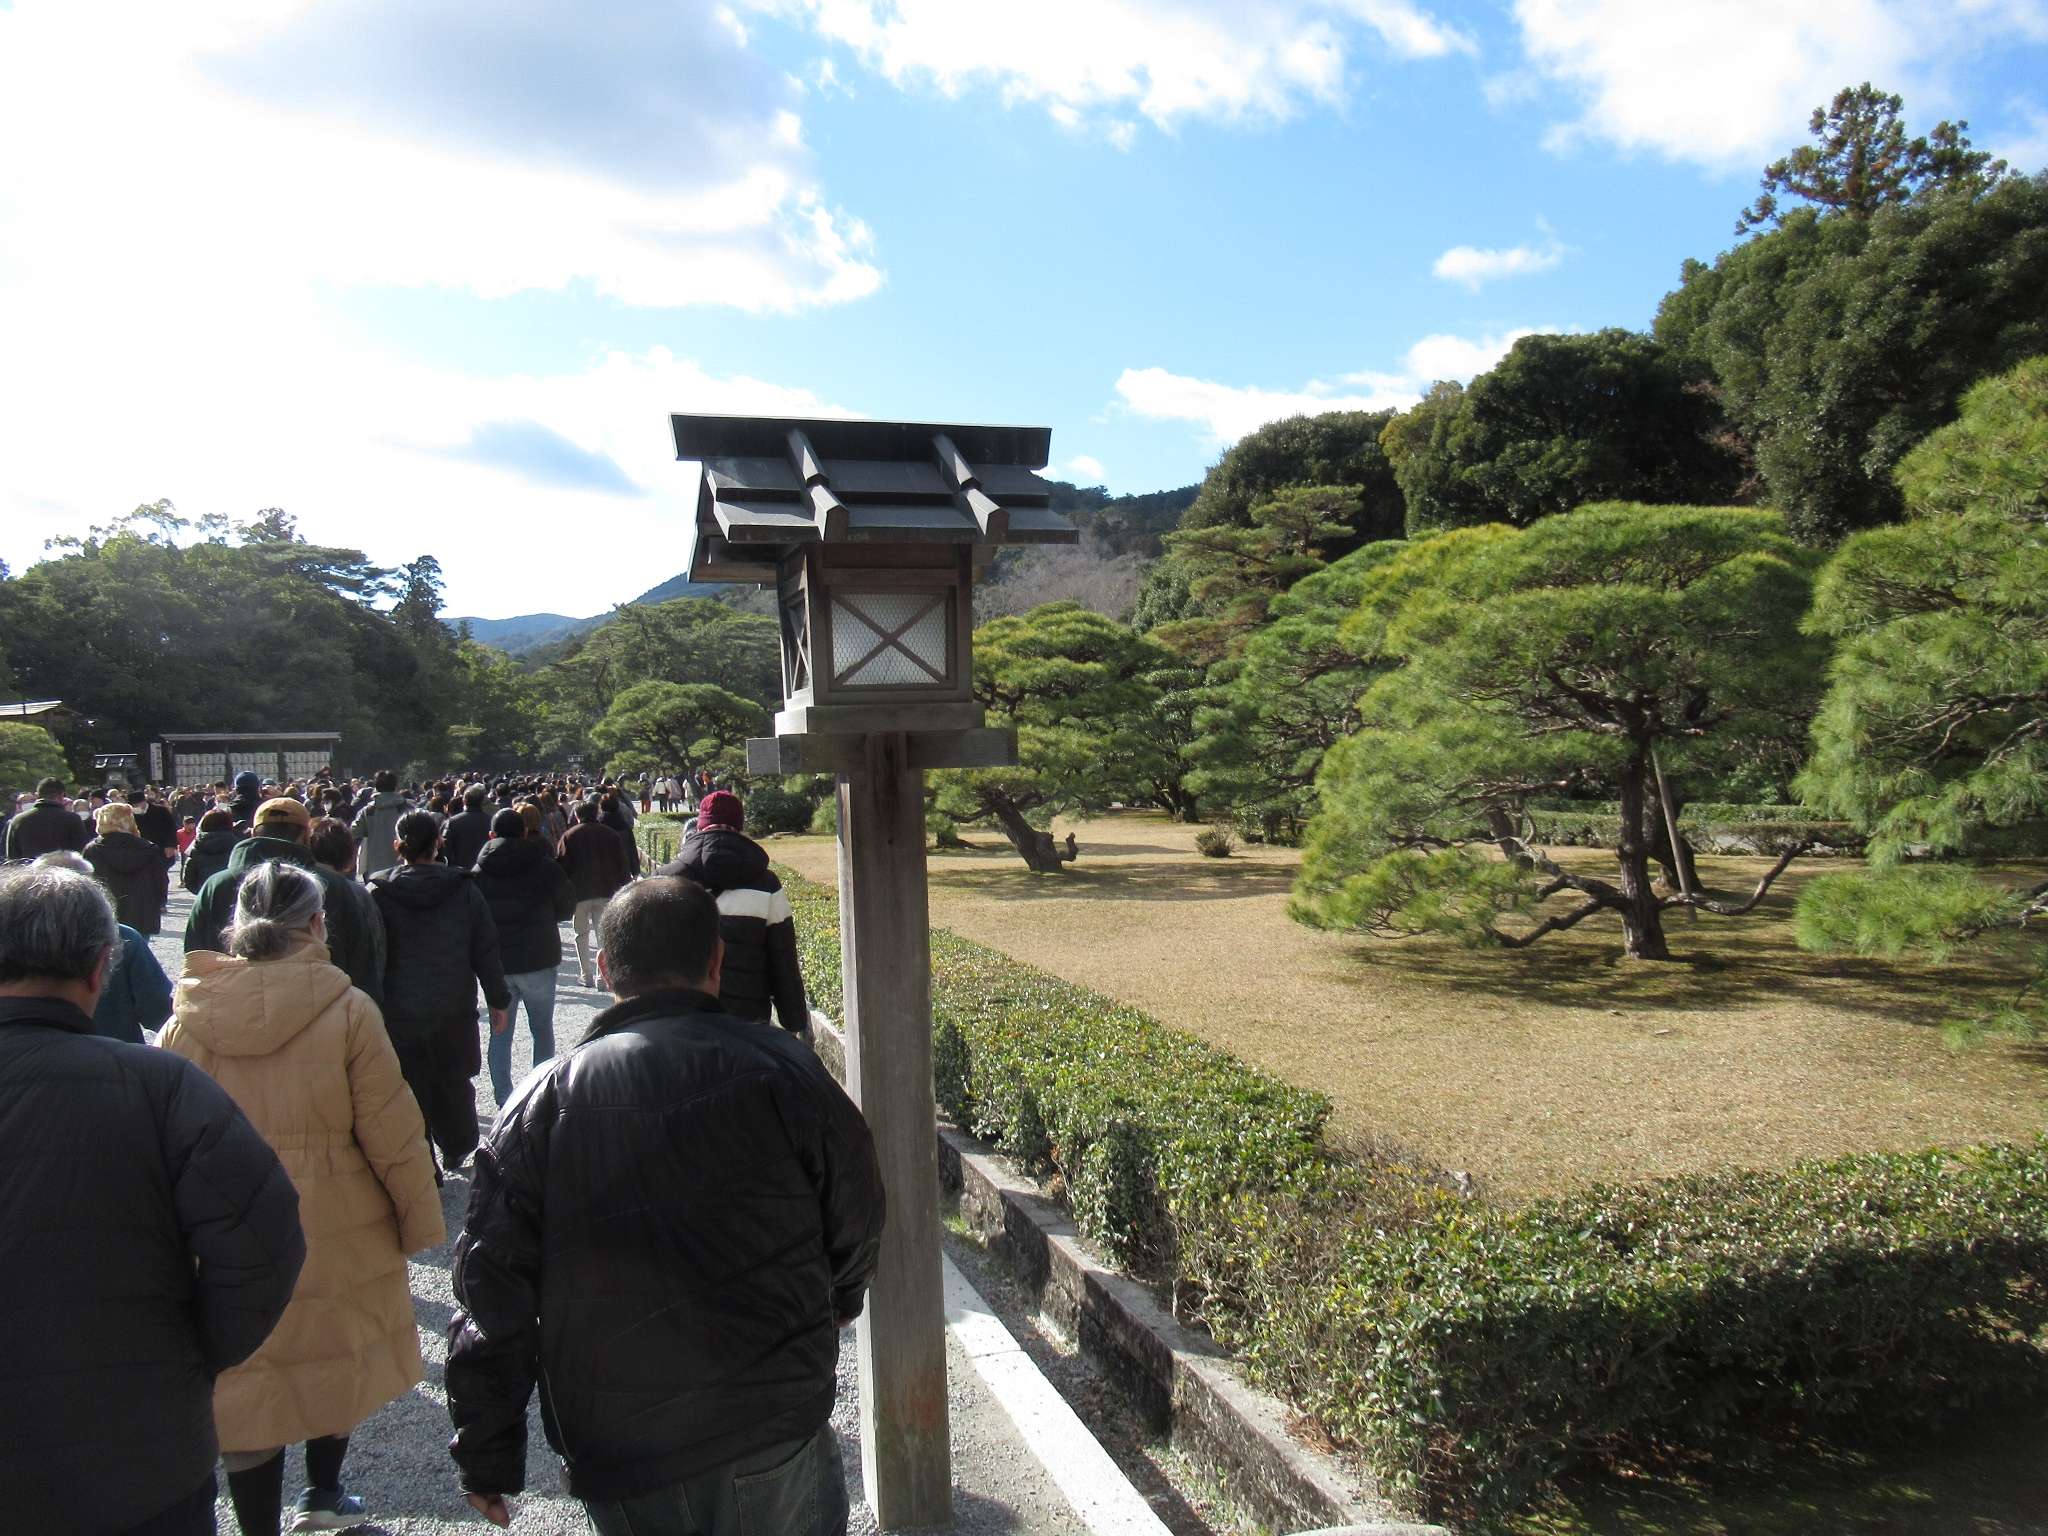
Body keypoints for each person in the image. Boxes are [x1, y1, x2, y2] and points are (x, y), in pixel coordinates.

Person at [446, 877, 885, 1535]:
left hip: (619, 1438)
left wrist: (486, 1451)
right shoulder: (784, 1068)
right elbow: (857, 1207)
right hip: (769, 1405)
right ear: (717, 962)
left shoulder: (542, 1100)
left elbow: (490, 1289)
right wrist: (837, 1301)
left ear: (602, 966)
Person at [0, 862, 305, 1535]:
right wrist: (197, 1351)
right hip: (136, 1443)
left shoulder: (162, 1085)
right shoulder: (159, 1087)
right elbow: (266, 1240)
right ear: (100, 968)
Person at [161, 861, 445, 1536]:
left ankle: (258, 1523)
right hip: (335, 1213)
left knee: (245, 1375)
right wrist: (416, 1217)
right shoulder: (347, 1009)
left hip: (224, 1219)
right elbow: (393, 1130)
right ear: (318, 924)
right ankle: (323, 1496)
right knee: (331, 1355)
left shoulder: (189, 1015)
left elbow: (165, 1139)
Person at [370, 810, 509, 1177]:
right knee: (453, 1080)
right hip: (453, 1004)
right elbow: (485, 947)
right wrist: (498, 998)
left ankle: (421, 1154)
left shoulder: (378, 893)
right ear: (439, 843)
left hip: (398, 1007)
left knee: (408, 1083)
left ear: (397, 846)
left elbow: (373, 953)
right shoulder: (463, 888)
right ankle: (458, 1144)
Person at [187, 798, 387, 1008]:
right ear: (306, 836)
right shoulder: (333, 885)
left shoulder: (216, 886)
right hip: (323, 1013)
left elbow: (194, 958)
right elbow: (360, 962)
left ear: (254, 833)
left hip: (231, 1012)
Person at [658, 790, 810, 1034]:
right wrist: (794, 1020)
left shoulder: (663, 882)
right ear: (739, 825)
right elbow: (783, 956)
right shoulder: (766, 884)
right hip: (748, 1016)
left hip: (680, 1017)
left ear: (700, 825)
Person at [472, 807, 575, 1106]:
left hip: (497, 962)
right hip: (538, 955)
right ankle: (540, 1094)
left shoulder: (478, 872)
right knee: (542, 1028)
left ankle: (504, 1098)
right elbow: (566, 905)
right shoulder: (544, 866)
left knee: (500, 1031)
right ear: (525, 832)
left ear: (491, 835)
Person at [35, 849, 174, 1043]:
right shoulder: (123, 937)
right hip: (114, 1057)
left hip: (29, 1059)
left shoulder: (14, 939)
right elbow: (157, 1010)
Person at [557, 797, 632, 988]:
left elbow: (561, 867)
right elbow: (622, 864)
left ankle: (586, 974)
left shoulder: (569, 836)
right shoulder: (610, 834)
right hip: (607, 890)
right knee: (603, 935)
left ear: (577, 815)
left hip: (579, 893)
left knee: (580, 934)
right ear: (596, 813)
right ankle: (603, 977)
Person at [85, 799, 171, 936]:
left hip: (104, 914)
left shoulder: (92, 850)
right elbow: (160, 881)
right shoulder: (148, 848)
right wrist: (159, 903)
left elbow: (86, 884)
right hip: (141, 913)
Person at [4, 775, 89, 860]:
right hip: (63, 871)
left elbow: (12, 858)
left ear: (37, 795)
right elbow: (82, 854)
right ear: (62, 795)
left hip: (27, 872)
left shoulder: (18, 820)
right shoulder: (72, 819)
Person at [350, 770, 410, 881]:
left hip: (375, 869)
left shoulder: (368, 811)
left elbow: (353, 832)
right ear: (396, 786)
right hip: (404, 868)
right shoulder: (407, 808)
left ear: (376, 786)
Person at [440, 782, 494, 870]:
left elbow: (445, 849)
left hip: (460, 872)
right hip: (484, 870)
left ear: (464, 801)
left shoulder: (452, 822)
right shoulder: (491, 820)